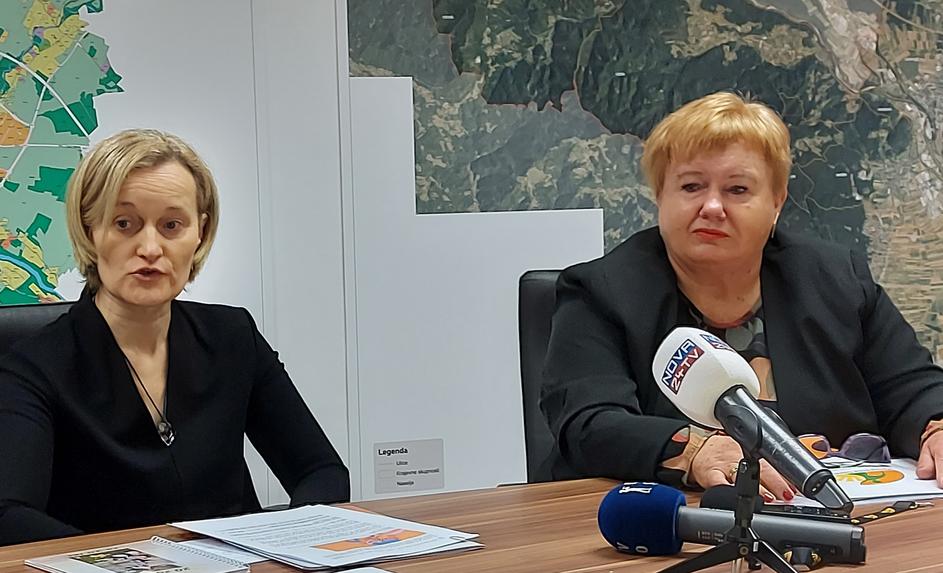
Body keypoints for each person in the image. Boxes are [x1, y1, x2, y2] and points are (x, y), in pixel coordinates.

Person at [540, 92, 943, 501]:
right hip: (662, 518)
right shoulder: (601, 291)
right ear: (661, 195)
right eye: (691, 186)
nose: (712, 206)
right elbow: (590, 423)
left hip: (832, 510)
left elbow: (911, 387)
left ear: (776, 202)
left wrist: (936, 428)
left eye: (737, 189)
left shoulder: (836, 279)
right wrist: (694, 451)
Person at [0, 129, 349, 545]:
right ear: (90, 229)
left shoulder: (233, 336)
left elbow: (322, 472)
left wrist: (288, 546)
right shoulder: (33, 366)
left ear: (200, 232)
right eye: (124, 223)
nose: (150, 247)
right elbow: (10, 516)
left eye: (171, 225)